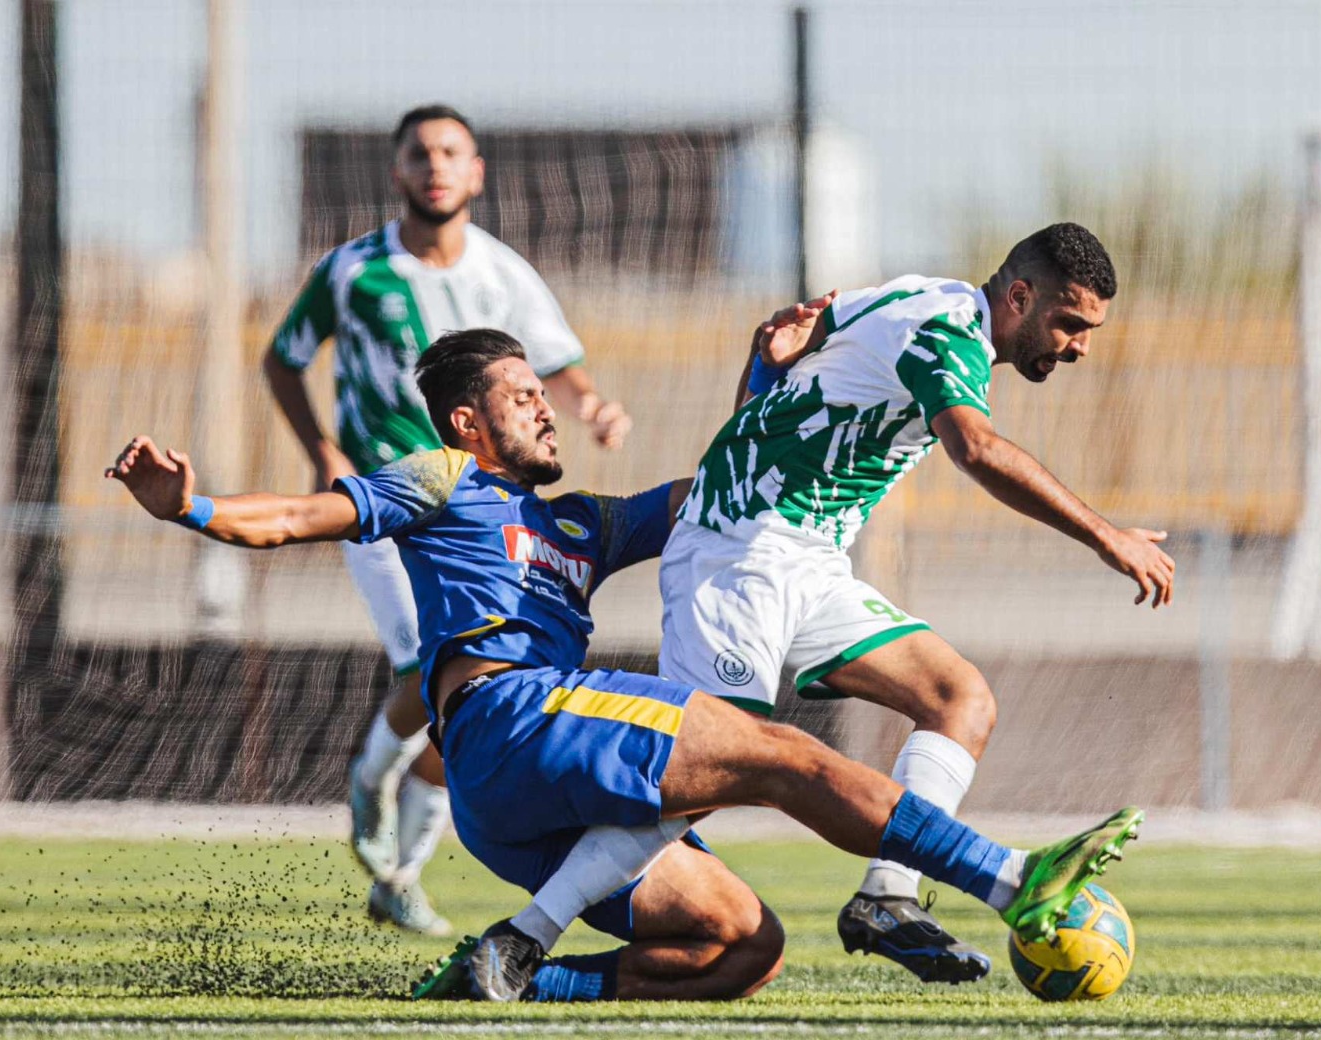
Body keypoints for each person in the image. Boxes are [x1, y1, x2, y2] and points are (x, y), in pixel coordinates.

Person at [106, 327, 1142, 1003]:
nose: (545, 406)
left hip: (524, 806)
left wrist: (767, 378)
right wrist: (188, 507)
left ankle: (511, 967)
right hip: (510, 719)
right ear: (470, 422)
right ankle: (1011, 881)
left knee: (742, 947)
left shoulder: (580, 523)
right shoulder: (447, 477)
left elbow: (724, 489)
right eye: (521, 395)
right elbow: (297, 514)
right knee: (781, 754)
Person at [483, 223, 1174, 986]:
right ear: (1020, 295)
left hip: (807, 559)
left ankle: (888, 899)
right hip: (737, 553)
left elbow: (792, 327)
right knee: (706, 773)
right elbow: (975, 450)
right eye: (1070, 324)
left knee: (959, 699)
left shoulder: (921, 293)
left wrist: (764, 373)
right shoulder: (948, 331)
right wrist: (1107, 536)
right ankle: (522, 940)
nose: (1079, 346)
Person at [263, 103, 631, 934]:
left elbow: (560, 367)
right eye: (420, 153)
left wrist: (596, 407)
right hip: (396, 502)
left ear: (475, 173)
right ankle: (369, 777)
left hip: (480, 509)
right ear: (398, 172)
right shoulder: (353, 271)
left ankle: (401, 874)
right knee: (423, 671)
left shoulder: (502, 272)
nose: (435, 165)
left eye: (450, 153)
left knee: (464, 687)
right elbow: (283, 360)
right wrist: (323, 449)